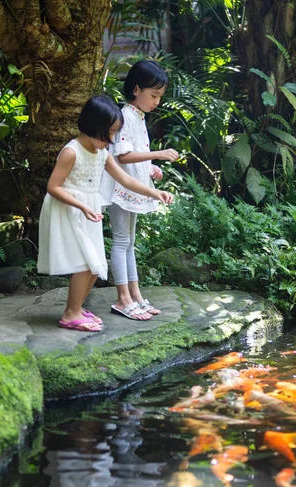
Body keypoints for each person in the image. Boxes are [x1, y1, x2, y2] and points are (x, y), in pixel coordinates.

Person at [37, 95, 172, 332]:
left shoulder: (102, 153)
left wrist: (154, 193)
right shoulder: (72, 151)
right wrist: (82, 206)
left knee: (96, 265)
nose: (111, 140)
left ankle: (77, 308)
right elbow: (53, 187)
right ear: (92, 127)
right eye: (108, 133)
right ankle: (70, 314)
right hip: (69, 209)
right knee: (85, 264)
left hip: (90, 210)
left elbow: (126, 179)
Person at [101, 59, 179, 321]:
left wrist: (150, 168)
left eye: (160, 96)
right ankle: (123, 298)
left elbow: (134, 155)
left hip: (132, 186)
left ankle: (134, 295)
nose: (157, 101)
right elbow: (122, 155)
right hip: (121, 188)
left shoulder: (137, 116)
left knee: (129, 243)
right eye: (153, 95)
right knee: (122, 241)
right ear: (137, 90)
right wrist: (157, 154)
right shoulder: (125, 115)